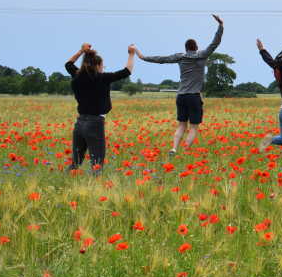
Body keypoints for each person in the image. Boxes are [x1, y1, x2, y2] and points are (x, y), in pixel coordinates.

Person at [134, 14, 224, 155]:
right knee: (193, 127)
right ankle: (185, 151)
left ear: (186, 48)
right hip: (194, 96)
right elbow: (215, 43)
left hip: (180, 96)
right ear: (196, 47)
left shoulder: (180, 57)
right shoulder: (202, 55)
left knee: (181, 125)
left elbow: (161, 59)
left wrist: (143, 57)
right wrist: (220, 25)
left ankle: (174, 148)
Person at [64, 42, 135, 171]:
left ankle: (66, 184)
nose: (103, 68)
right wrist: (131, 54)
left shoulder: (77, 75)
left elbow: (68, 64)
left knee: (76, 162)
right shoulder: (102, 78)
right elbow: (127, 71)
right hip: (95, 123)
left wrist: (81, 51)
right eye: (102, 66)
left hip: (79, 123)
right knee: (97, 162)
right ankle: (95, 187)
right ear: (97, 66)